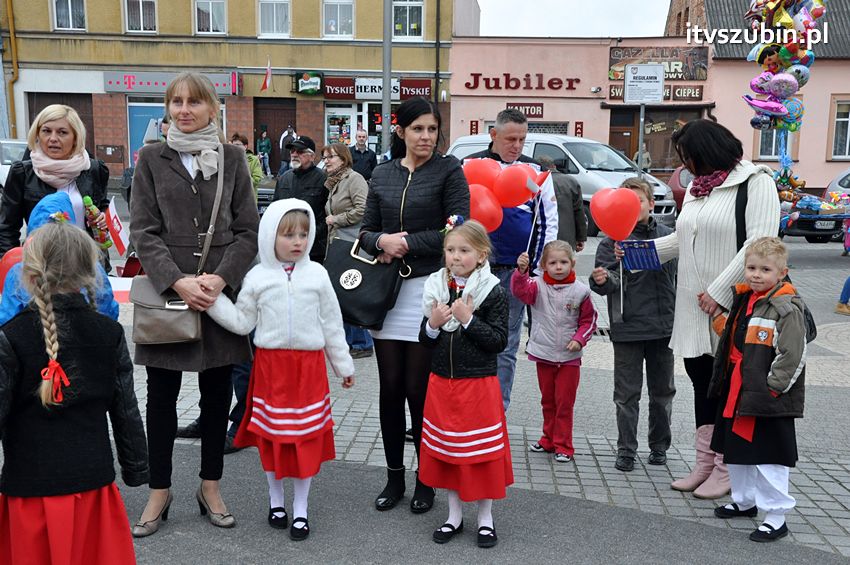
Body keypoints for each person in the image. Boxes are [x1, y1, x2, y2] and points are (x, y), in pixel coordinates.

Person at [129, 71, 259, 537]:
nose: (184, 109)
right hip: (170, 296)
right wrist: (178, 281)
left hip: (220, 296)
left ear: (212, 108)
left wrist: (221, 278)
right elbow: (142, 230)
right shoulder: (150, 158)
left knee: (216, 392)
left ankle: (210, 486)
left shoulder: (232, 158)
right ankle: (159, 492)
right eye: (176, 101)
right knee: (161, 397)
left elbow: (248, 230)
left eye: (194, 102)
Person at [0, 221, 148, 564]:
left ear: (30, 271)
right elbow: (126, 410)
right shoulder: (109, 334)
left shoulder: (11, 336)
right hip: (92, 487)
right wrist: (136, 468)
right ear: (88, 270)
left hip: (29, 490)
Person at [207, 199, 354, 541]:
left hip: (309, 369)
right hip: (271, 369)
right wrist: (214, 301)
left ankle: (300, 509)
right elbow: (243, 322)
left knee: (303, 441)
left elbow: (332, 322)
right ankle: (276, 502)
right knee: (273, 440)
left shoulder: (317, 274)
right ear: (270, 235)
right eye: (288, 235)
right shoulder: (257, 277)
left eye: (303, 234)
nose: (298, 241)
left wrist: (343, 364)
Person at [651, 119, 780, 499]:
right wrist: (642, 253)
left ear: (710, 151)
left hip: (732, 307)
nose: (687, 165)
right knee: (701, 381)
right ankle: (704, 463)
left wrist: (721, 291)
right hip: (692, 307)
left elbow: (760, 242)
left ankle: (727, 467)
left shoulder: (756, 182)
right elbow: (685, 234)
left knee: (730, 386)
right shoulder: (697, 186)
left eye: (690, 156)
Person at [359, 96, 469, 514]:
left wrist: (405, 242)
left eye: (432, 128)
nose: (426, 136)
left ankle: (427, 480)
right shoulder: (382, 173)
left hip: (427, 291)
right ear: (401, 130)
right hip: (386, 294)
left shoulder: (449, 170)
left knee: (417, 391)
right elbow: (366, 231)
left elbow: (458, 226)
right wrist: (380, 241)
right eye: (418, 128)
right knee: (390, 389)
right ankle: (393, 478)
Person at [417, 220, 510, 548]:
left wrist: (468, 320)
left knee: (480, 455)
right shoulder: (435, 286)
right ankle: (453, 515)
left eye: (464, 250)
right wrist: (433, 324)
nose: (456, 257)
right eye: (451, 250)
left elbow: (499, 340)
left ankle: (485, 518)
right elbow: (425, 341)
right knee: (448, 452)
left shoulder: (493, 291)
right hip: (443, 382)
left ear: (481, 255)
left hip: (477, 385)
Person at [708, 237, 805, 543]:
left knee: (769, 457)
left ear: (782, 272)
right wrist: (721, 325)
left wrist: (772, 389)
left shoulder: (786, 308)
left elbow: (793, 354)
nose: (756, 274)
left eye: (765, 269)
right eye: (751, 268)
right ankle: (744, 500)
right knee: (737, 452)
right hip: (738, 390)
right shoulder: (745, 298)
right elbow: (742, 339)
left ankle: (776, 516)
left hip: (765, 396)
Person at [466, 108, 558, 411]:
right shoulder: (470, 164)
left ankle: (497, 410)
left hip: (513, 271)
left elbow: (547, 222)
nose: (516, 146)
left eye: (522, 139)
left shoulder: (535, 173)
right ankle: (470, 407)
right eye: (510, 139)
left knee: (505, 344)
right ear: (494, 135)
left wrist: (533, 265)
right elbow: (455, 215)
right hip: (474, 270)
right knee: (469, 336)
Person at [589, 178, 677, 472]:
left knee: (663, 391)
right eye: (626, 201)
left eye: (639, 200)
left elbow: (680, 274)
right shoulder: (611, 241)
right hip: (627, 327)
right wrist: (603, 277)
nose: (634, 207)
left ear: (651, 203)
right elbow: (606, 282)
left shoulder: (668, 235)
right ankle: (626, 449)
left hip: (663, 326)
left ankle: (659, 446)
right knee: (626, 394)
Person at [511, 241, 597, 463]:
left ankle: (564, 445)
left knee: (564, 403)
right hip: (544, 354)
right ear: (543, 265)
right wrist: (521, 272)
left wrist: (579, 339)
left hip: (569, 358)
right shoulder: (536, 286)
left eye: (563, 262)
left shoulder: (581, 291)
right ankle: (548, 438)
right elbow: (520, 292)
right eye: (553, 263)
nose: (558, 267)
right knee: (548, 401)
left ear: (573, 263)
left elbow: (589, 320)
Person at [0, 104, 111, 269]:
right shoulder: (23, 173)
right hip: (42, 268)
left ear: (75, 137)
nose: (53, 138)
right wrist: (9, 270)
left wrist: (102, 217)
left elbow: (102, 207)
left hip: (89, 265)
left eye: (62, 132)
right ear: (37, 134)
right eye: (46, 131)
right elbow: (7, 229)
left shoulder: (93, 169)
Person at [0, 192, 119, 325]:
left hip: (31, 342)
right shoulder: (92, 267)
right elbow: (110, 313)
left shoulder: (20, 271)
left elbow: (6, 320)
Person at [322, 142, 373, 358]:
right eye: (324, 157)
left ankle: (362, 343)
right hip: (338, 244)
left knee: (351, 293)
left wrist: (337, 219)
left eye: (330, 157)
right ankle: (349, 342)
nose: (326, 161)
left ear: (343, 159)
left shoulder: (354, 179)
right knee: (341, 293)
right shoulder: (334, 183)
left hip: (352, 244)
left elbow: (364, 208)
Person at [273, 136, 328, 264]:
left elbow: (328, 214)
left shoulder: (323, 179)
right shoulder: (284, 178)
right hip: (286, 249)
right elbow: (275, 210)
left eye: (300, 151)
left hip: (314, 250)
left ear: (312, 156)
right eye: (292, 151)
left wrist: (310, 235)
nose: (294, 154)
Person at [537, 154, 587, 252]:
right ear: (554, 166)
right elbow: (579, 212)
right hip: (567, 239)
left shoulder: (537, 181)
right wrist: (581, 238)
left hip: (543, 238)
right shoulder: (571, 181)